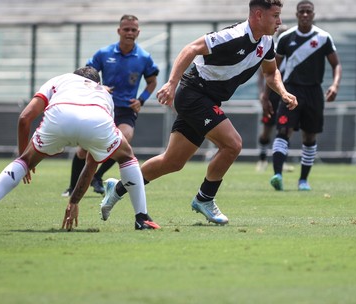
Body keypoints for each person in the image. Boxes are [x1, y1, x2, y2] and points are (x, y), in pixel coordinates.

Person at [98, 0, 297, 225]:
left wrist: (283, 92)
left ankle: (117, 188)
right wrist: (171, 84)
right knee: (233, 144)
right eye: (276, 16)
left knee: (172, 162)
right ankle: (205, 198)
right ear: (259, 15)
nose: (280, 21)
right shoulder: (233, 35)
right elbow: (191, 49)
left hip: (207, 99)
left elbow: (271, 73)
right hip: (193, 93)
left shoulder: (268, 42)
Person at [0, 67, 160, 231]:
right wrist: (74, 201)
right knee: (126, 157)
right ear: (96, 82)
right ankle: (142, 218)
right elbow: (92, 162)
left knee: (23, 162)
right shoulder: (104, 93)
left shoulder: (60, 80)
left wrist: (24, 158)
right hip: (96, 118)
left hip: (60, 116)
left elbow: (25, 118)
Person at [62, 14, 159, 197]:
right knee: (84, 149)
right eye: (126, 29)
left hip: (126, 109)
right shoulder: (104, 53)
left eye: (133, 30)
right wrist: (99, 87)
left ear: (138, 32)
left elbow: (152, 82)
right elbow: (85, 75)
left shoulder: (144, 57)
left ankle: (97, 176)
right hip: (103, 107)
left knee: (123, 140)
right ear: (119, 31)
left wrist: (141, 100)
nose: (129, 33)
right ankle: (72, 187)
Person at [268, 0, 342, 191]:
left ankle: (303, 180)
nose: (305, 15)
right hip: (291, 90)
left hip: (314, 92)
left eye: (308, 11)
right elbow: (272, 68)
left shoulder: (323, 38)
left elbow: (336, 64)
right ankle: (277, 175)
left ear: (313, 14)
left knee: (309, 136)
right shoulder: (286, 38)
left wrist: (334, 85)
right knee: (283, 131)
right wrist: (266, 94)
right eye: (302, 11)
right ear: (296, 14)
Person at [255, 25, 294, 173]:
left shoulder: (292, 51)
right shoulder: (272, 50)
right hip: (272, 94)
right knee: (267, 128)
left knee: (285, 128)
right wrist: (262, 93)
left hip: (286, 93)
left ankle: (281, 161)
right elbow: (262, 74)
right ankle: (262, 159)